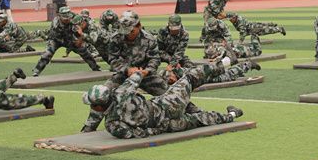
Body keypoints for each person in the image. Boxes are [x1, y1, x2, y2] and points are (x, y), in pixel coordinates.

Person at [81, 64, 243, 139]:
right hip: (166, 105)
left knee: (201, 120)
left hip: (166, 124)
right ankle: (226, 62)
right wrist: (141, 71)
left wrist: (160, 129)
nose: (93, 108)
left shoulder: (112, 125)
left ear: (99, 106)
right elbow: (136, 77)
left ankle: (232, 115)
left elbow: (139, 134)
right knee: (189, 78)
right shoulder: (120, 93)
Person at [104, 11, 166, 95]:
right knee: (105, 93)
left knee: (167, 94)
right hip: (123, 74)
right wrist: (127, 69)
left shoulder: (149, 39)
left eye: (131, 31)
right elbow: (113, 59)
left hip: (145, 75)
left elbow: (155, 58)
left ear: (139, 26)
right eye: (125, 31)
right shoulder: (116, 38)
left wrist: (147, 71)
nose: (128, 34)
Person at [31, 7, 102, 77]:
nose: (67, 20)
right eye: (65, 19)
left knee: (84, 51)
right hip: (56, 39)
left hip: (70, 39)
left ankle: (96, 68)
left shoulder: (75, 18)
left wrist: (80, 39)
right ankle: (37, 70)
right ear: (59, 16)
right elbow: (57, 34)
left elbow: (82, 27)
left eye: (68, 18)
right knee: (47, 53)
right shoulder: (56, 23)